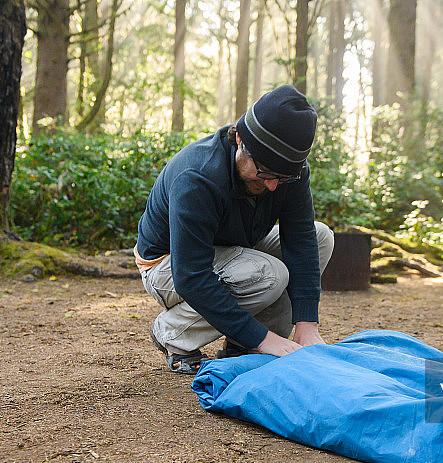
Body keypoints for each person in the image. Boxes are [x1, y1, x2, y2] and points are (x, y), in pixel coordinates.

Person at [134, 84, 334, 374]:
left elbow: (301, 240)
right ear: (239, 138)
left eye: (284, 177)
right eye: (265, 172)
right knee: (268, 274)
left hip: (234, 252)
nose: (273, 185)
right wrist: (264, 340)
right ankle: (174, 332)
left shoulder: (290, 173)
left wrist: (307, 326)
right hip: (167, 266)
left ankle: (244, 347)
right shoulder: (197, 175)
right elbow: (191, 275)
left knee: (320, 237)